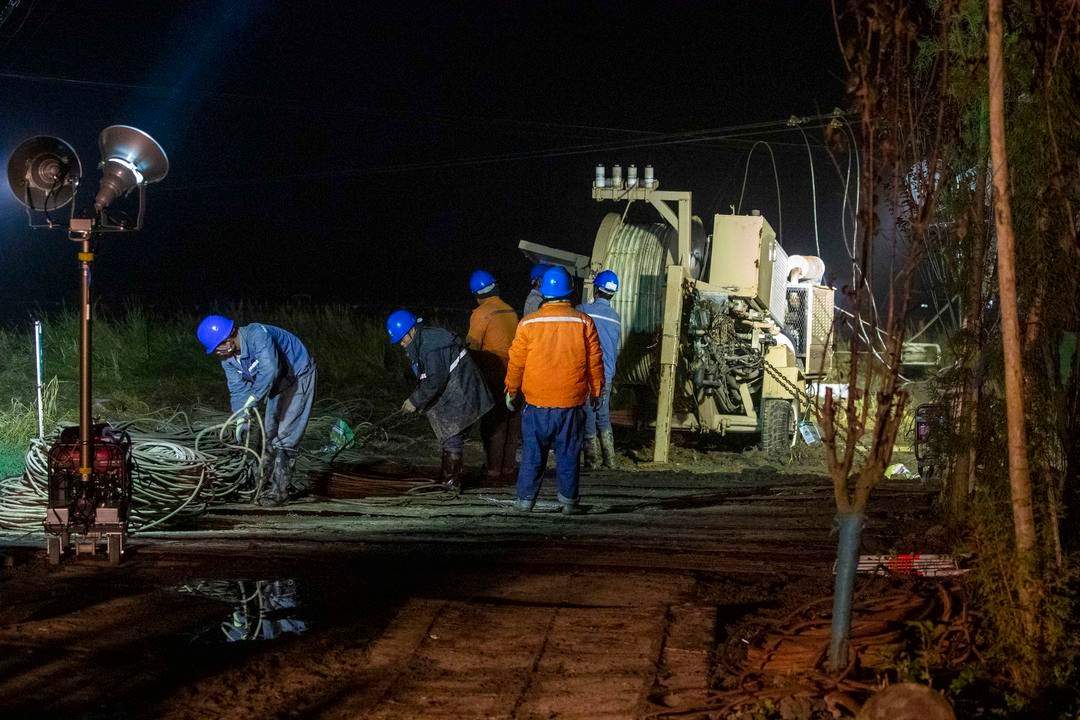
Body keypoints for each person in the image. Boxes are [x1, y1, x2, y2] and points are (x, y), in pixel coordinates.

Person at [505, 266, 604, 514]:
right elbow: (595, 361)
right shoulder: (584, 322)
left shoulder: (528, 324)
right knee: (569, 454)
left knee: (532, 453)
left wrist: (511, 390)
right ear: (569, 290)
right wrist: (596, 391)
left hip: (536, 404)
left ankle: (525, 501)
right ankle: (569, 503)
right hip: (570, 405)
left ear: (545, 291)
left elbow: (516, 361)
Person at [197, 315, 317, 506]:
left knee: (285, 436)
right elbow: (237, 389)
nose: (216, 353)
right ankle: (259, 485)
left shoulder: (257, 335)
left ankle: (279, 492)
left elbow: (270, 369)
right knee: (268, 434)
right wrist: (240, 418)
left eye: (217, 347)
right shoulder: (228, 359)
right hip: (275, 385)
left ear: (228, 339)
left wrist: (253, 399)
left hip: (297, 376)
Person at [387, 309, 493, 488]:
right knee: (450, 438)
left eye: (402, 339)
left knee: (452, 436)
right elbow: (427, 377)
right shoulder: (424, 341)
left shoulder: (430, 346)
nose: (402, 344)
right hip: (458, 390)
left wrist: (414, 401)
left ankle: (450, 483)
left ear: (411, 330)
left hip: (464, 392)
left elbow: (435, 380)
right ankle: (448, 478)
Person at [465, 269, 521, 483]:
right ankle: (508, 469)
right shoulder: (510, 311)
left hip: (494, 374)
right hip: (516, 374)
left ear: (477, 294)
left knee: (493, 423)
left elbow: (472, 348)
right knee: (512, 422)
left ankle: (492, 471)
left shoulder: (481, 313)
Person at [576, 269, 622, 469]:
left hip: (589, 374)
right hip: (608, 374)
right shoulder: (616, 317)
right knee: (603, 414)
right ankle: (610, 460)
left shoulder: (583, 311)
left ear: (596, 289)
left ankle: (592, 460)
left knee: (588, 414)